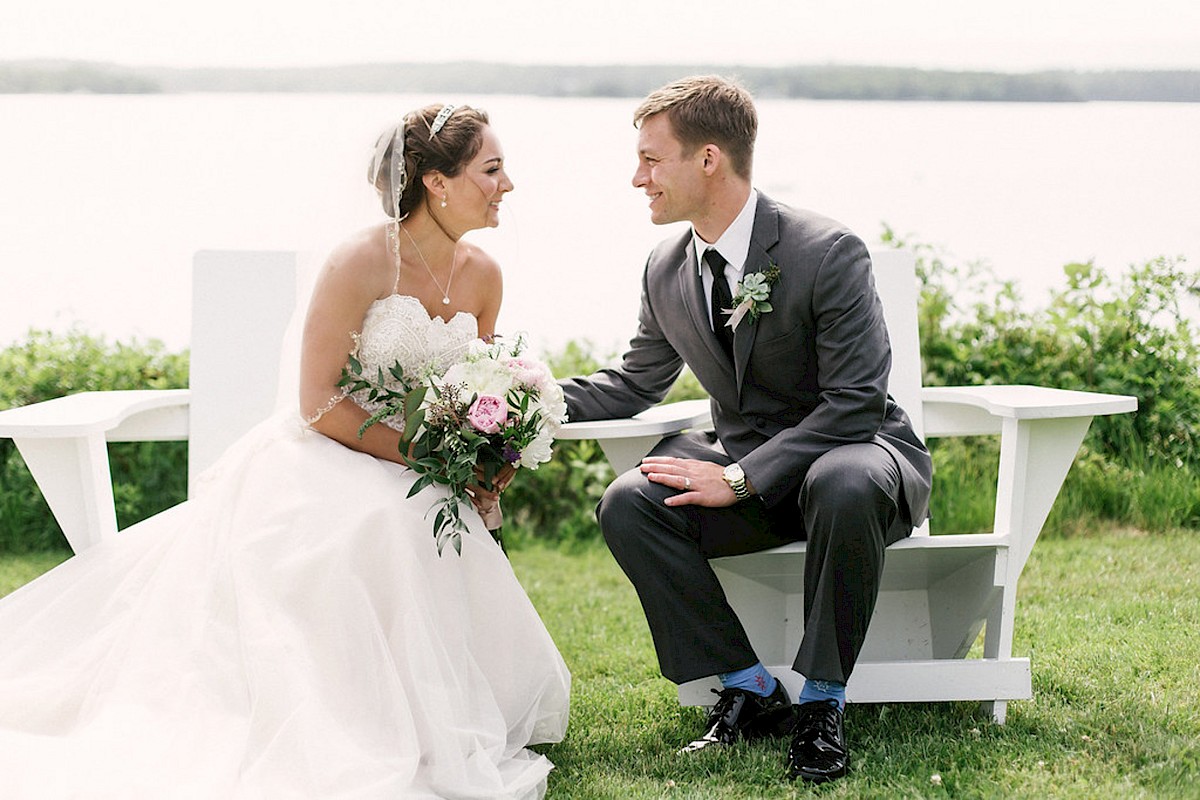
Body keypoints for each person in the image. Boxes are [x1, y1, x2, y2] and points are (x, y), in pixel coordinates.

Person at [0, 103, 570, 799]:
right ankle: (359, 719)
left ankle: (440, 709)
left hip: (418, 465)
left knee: (421, 516)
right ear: (436, 183)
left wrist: (489, 456)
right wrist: (423, 456)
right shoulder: (361, 260)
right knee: (385, 522)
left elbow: (472, 389)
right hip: (331, 454)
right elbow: (319, 401)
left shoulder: (486, 276)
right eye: (492, 169)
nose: (507, 184)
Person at [560, 76, 932, 784]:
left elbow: (855, 403)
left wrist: (738, 477)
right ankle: (750, 687)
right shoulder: (666, 266)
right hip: (758, 482)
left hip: (858, 464)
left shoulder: (827, 251)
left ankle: (822, 706)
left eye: (651, 160)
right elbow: (633, 383)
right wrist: (525, 400)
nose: (637, 178)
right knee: (630, 501)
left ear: (708, 159)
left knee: (845, 478)